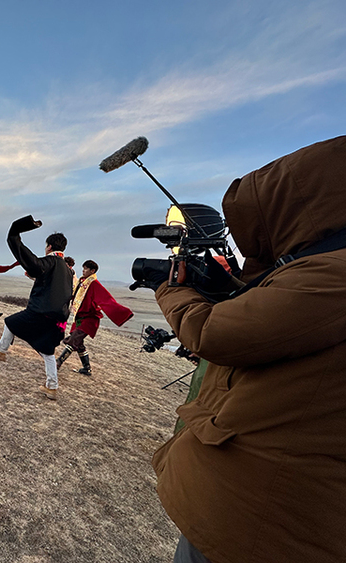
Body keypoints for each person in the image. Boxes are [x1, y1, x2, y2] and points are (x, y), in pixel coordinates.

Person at [142, 136, 346, 562]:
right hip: (276, 501)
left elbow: (215, 334)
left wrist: (172, 288)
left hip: (260, 514)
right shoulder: (320, 271)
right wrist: (233, 288)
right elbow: (278, 322)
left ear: (297, 206)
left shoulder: (332, 275)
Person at [0, 216, 72, 400]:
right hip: (56, 318)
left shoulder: (52, 261)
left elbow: (35, 264)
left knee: (11, 322)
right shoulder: (66, 269)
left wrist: (15, 238)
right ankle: (52, 387)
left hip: (41, 312)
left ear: (49, 246)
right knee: (47, 350)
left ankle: (1, 351)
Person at [56, 260, 133, 376]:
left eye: (86, 269)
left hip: (89, 319)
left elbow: (107, 300)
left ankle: (58, 362)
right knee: (78, 343)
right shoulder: (81, 282)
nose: (83, 270)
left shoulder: (95, 284)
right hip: (79, 318)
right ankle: (87, 368)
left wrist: (123, 313)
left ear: (92, 271)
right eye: (83, 268)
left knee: (73, 341)